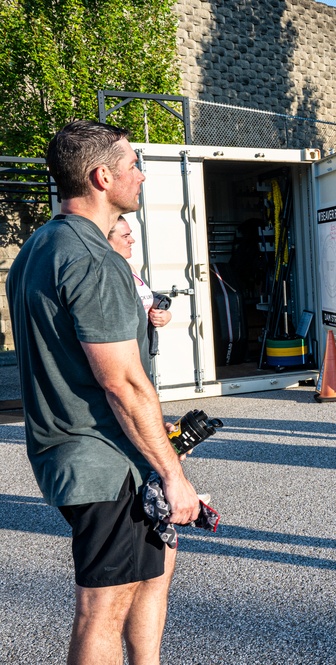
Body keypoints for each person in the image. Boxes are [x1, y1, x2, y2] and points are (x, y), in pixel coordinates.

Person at [6, 120, 201, 664]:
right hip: (101, 461)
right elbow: (124, 381)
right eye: (134, 164)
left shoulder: (37, 248)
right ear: (101, 176)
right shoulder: (94, 259)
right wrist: (174, 476)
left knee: (150, 575)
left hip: (83, 455)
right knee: (102, 610)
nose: (141, 175)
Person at [108, 215, 172, 356]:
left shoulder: (129, 268)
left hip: (142, 350)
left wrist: (163, 314)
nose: (132, 240)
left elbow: (140, 303)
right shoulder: (105, 272)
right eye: (125, 236)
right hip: (123, 356)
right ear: (106, 239)